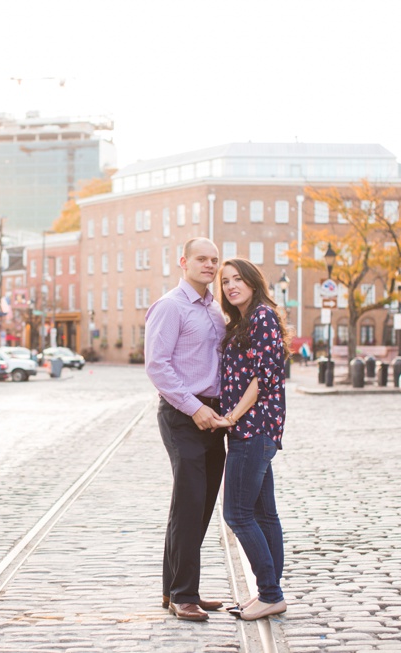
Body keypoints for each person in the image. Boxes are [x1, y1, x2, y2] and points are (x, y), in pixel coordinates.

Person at [145, 237, 231, 622]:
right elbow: (157, 366)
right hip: (183, 414)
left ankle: (174, 588)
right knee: (190, 501)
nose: (209, 265)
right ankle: (184, 594)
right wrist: (194, 408)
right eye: (201, 258)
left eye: (214, 260)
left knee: (200, 504)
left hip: (213, 417)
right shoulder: (170, 306)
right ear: (184, 262)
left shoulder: (215, 311)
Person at [218, 258, 290, 621]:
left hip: (252, 428)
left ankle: (271, 593)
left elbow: (265, 378)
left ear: (252, 281)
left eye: (238, 279)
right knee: (264, 515)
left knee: (237, 513)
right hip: (255, 431)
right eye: (226, 281)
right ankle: (268, 592)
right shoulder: (244, 321)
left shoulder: (262, 316)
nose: (231, 286)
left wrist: (232, 416)